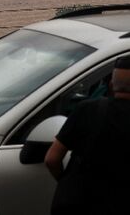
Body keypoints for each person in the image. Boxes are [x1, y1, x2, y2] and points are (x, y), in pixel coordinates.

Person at [45, 55, 130, 215]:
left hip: (79, 204)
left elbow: (52, 159)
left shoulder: (88, 110)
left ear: (111, 84)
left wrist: (67, 184)